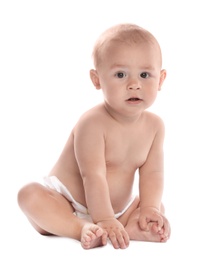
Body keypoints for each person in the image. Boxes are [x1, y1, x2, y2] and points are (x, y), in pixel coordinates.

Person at [18, 23, 171, 250]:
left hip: (118, 210)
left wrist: (149, 208)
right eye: (120, 74)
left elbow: (153, 173)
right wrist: (103, 218)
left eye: (145, 74)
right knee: (29, 196)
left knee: (155, 205)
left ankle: (125, 228)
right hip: (67, 203)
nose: (134, 84)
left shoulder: (155, 126)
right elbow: (93, 176)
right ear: (97, 79)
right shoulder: (92, 123)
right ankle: (79, 228)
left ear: (160, 80)